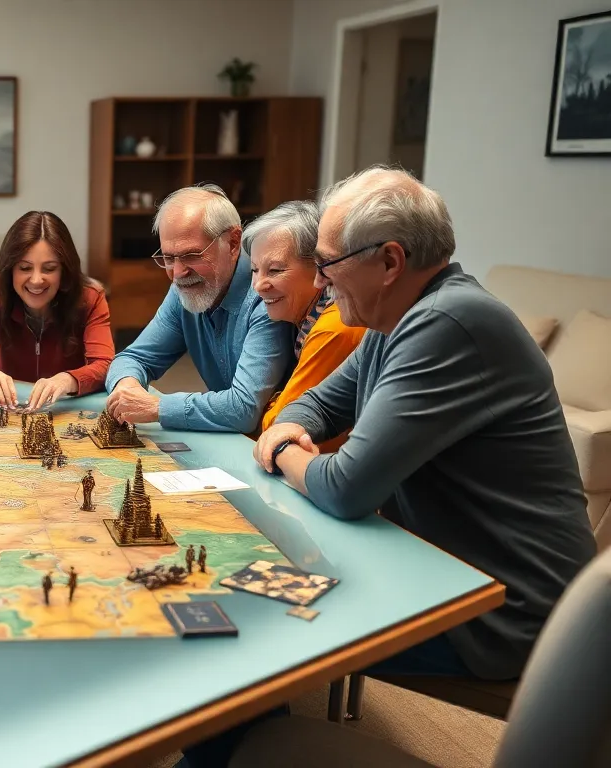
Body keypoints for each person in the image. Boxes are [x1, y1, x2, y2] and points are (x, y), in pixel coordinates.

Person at [184, 166, 600, 768]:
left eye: (327, 263)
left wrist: (281, 447)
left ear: (390, 261)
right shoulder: (394, 316)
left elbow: (345, 486)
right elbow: (320, 401)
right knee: (239, 605)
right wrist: (291, 428)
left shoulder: (449, 324)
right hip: (432, 573)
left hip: (498, 611)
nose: (320, 281)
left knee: (232, 625)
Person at [104, 185, 292, 433]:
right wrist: (127, 386)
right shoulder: (186, 287)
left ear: (233, 242)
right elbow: (133, 358)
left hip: (275, 444)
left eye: (192, 255)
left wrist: (156, 407)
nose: (178, 273)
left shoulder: (266, 293)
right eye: (168, 258)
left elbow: (243, 410)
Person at [0, 211, 114, 411]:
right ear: (10, 269)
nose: (36, 280)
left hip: (62, 409)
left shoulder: (91, 297)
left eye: (49, 269)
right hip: (8, 410)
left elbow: (106, 366)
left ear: (64, 271)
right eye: (24, 268)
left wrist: (67, 380)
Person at [246, 201, 365, 451]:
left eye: (275, 270)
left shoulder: (333, 327)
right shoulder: (306, 317)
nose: (258, 285)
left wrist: (262, 408)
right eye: (255, 270)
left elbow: (275, 428)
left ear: (319, 266)